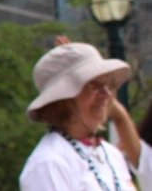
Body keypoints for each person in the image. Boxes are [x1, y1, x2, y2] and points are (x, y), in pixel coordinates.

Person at [20, 42, 135, 191]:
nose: (105, 94)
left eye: (107, 84)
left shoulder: (110, 154)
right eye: (93, 86)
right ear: (63, 101)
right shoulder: (49, 163)